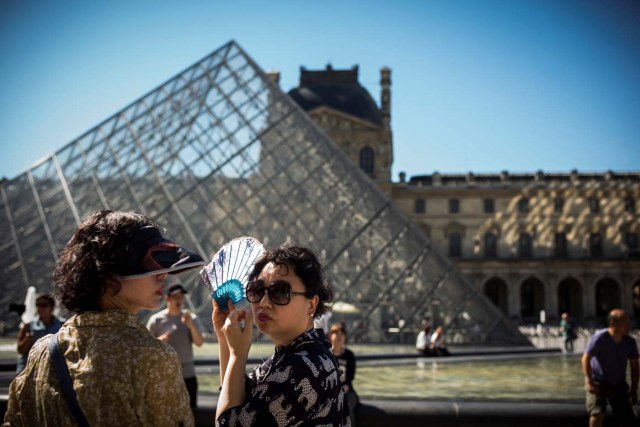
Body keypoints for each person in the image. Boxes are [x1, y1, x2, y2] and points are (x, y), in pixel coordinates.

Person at [4, 210, 204, 426]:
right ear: (108, 276)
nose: (163, 274)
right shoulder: (152, 357)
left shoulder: (41, 351)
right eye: (149, 265)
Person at [212, 244, 350, 426]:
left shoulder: (303, 368)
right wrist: (225, 341)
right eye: (257, 289)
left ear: (311, 304)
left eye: (280, 292)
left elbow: (229, 422)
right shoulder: (302, 354)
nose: (264, 302)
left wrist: (237, 354)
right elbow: (240, 398)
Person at [147, 282, 204, 408]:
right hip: (164, 375)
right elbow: (146, 348)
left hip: (187, 375)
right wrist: (159, 340)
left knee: (191, 412)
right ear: (167, 298)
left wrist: (191, 325)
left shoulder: (191, 318)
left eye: (181, 297)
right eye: (175, 297)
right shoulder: (156, 320)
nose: (179, 300)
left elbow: (199, 343)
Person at [582, 308, 640, 427]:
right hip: (597, 382)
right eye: (625, 323)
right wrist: (589, 381)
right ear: (613, 323)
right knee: (597, 413)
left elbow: (635, 366)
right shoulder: (599, 338)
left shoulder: (630, 342)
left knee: (629, 417)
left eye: (629, 322)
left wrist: (634, 388)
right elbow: (585, 359)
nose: (629, 326)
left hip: (618, 383)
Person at [15, 294, 63, 373]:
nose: (40, 308)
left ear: (51, 308)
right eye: (38, 305)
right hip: (29, 368)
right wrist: (27, 338)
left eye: (44, 305)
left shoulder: (61, 325)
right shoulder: (28, 325)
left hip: (52, 369)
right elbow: (20, 350)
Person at [329, 323, 360, 427]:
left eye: (342, 333)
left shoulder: (349, 355)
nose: (339, 336)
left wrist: (341, 391)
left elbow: (349, 379)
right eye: (336, 333)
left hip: (347, 392)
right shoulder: (326, 355)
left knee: (346, 407)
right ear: (330, 336)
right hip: (329, 392)